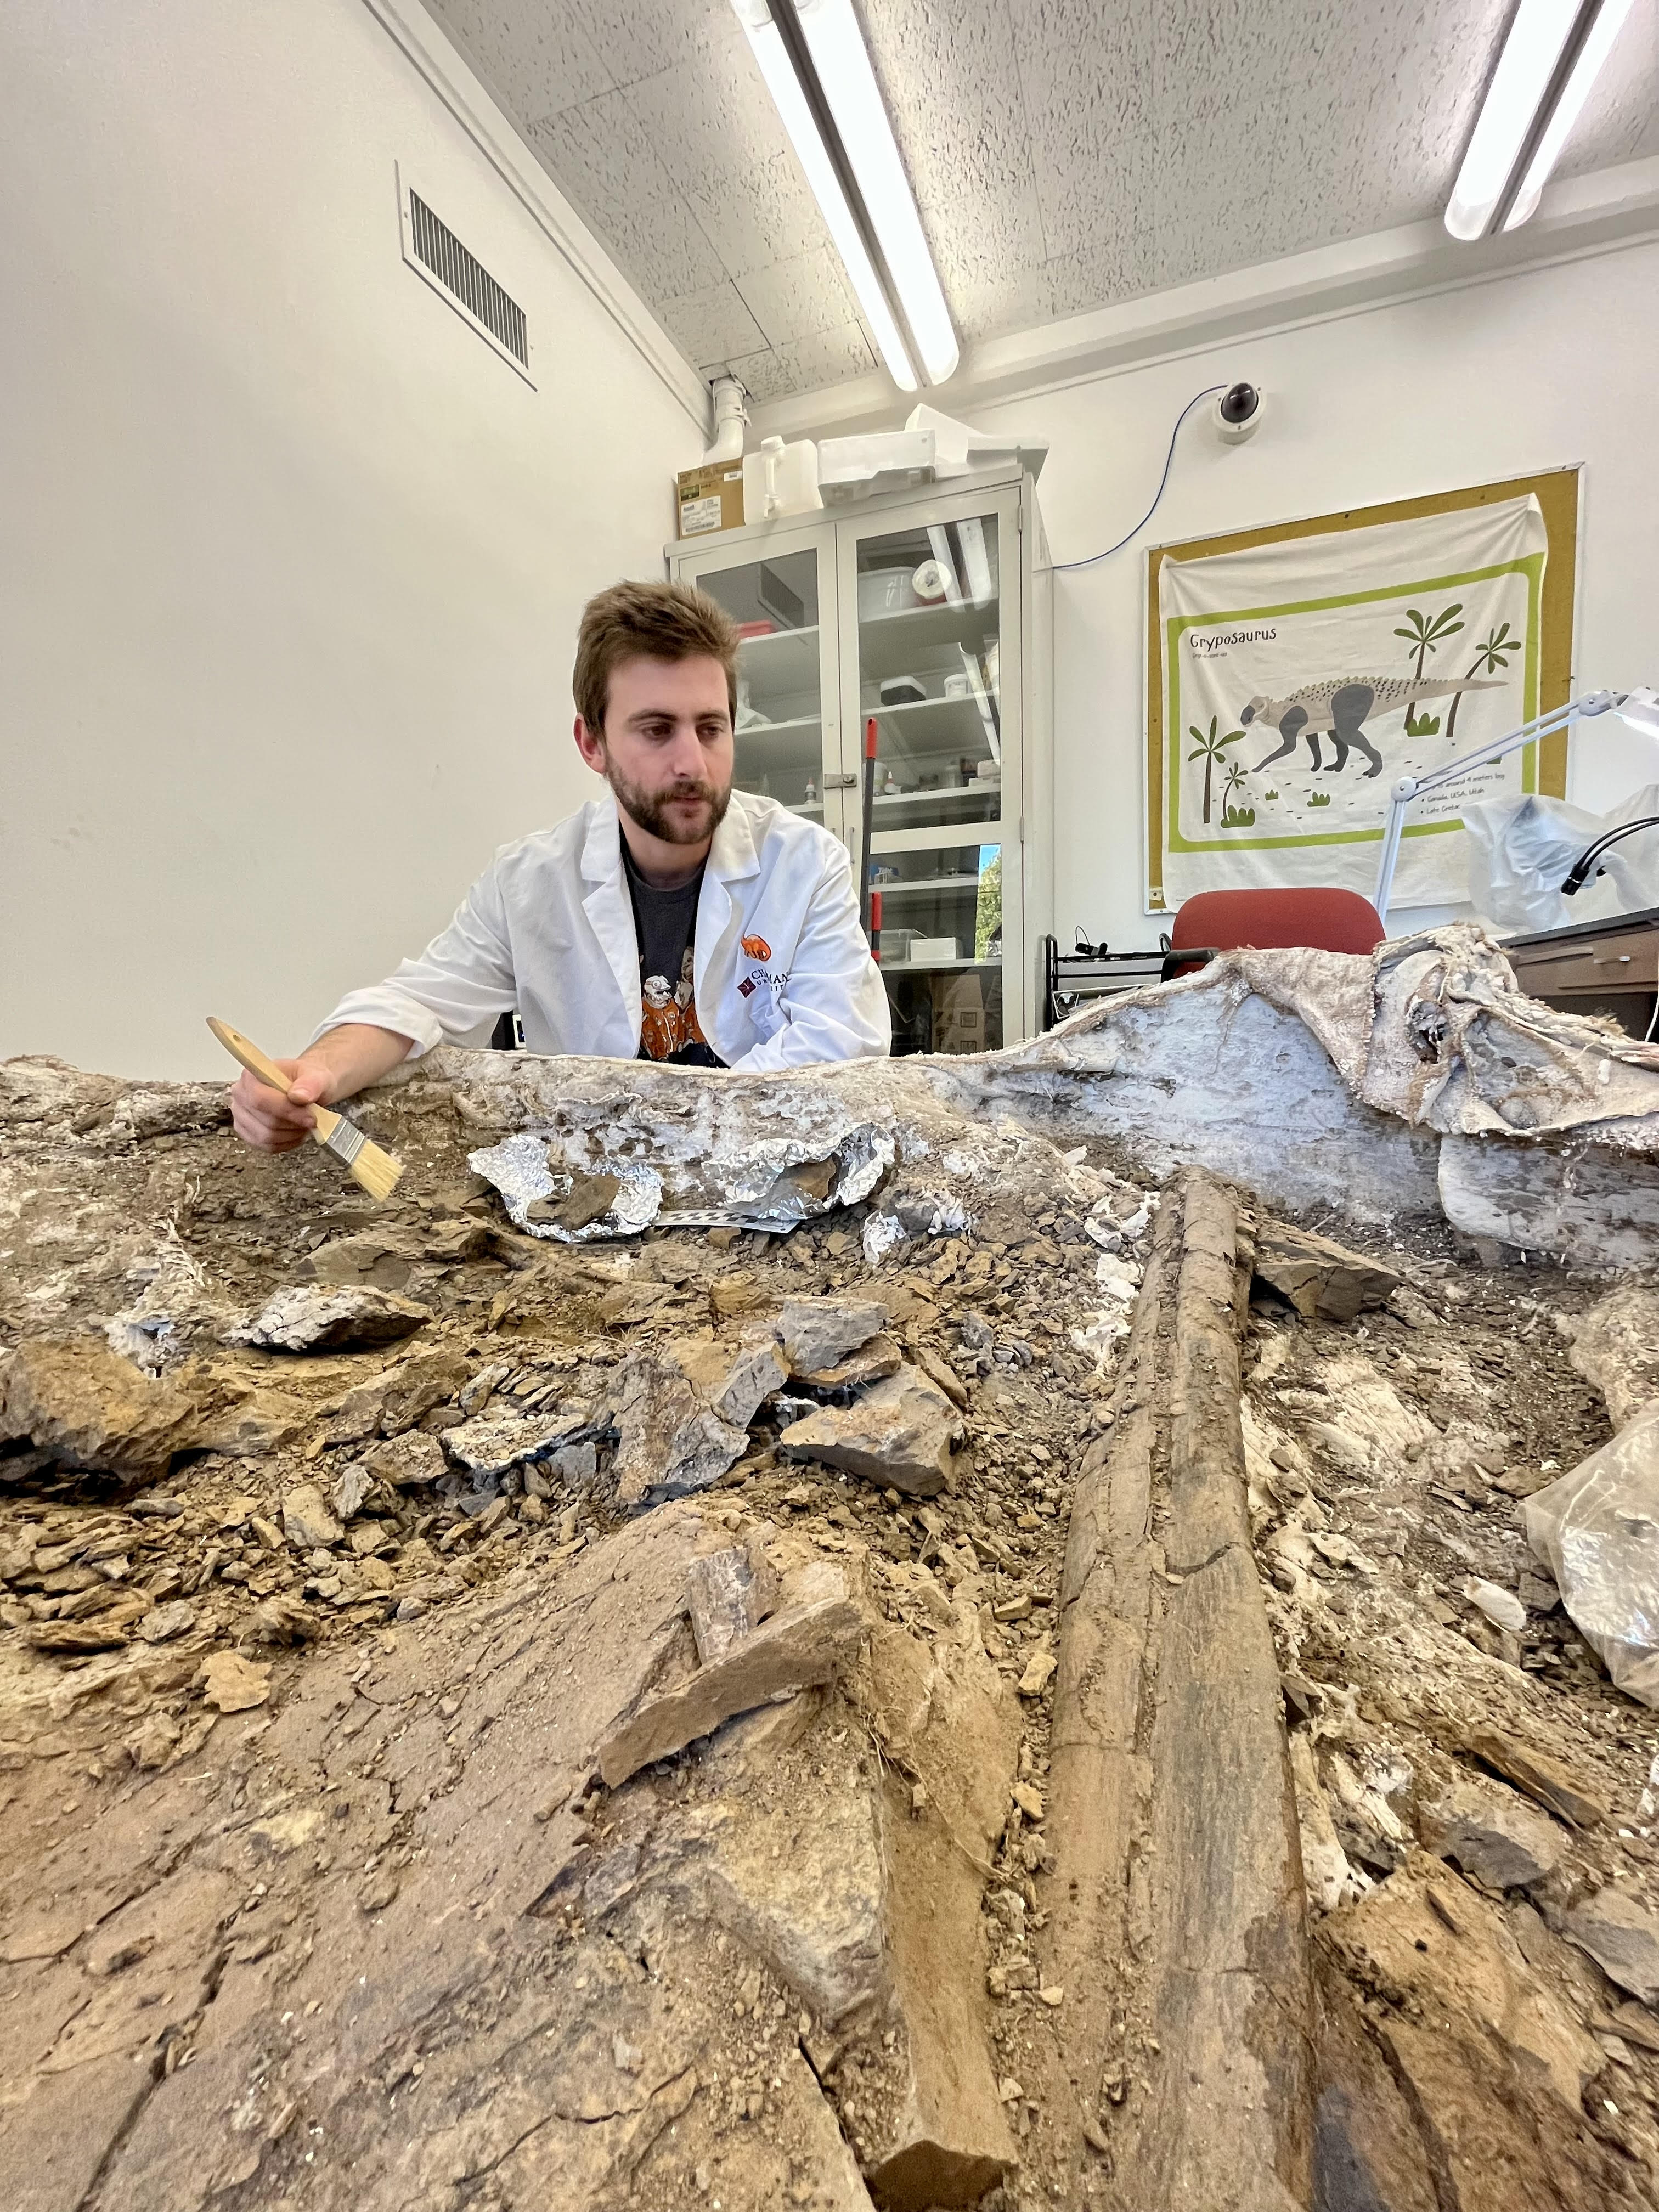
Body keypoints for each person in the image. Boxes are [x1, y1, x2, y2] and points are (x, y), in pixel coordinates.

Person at [229, 579, 889, 1153]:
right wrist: (310, 1076)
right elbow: (417, 1002)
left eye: (710, 728)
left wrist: (670, 1130)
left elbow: (843, 1043)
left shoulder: (802, 864)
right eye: (657, 730)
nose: (692, 763)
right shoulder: (530, 882)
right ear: (592, 743)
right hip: (594, 1194)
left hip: (760, 1174)